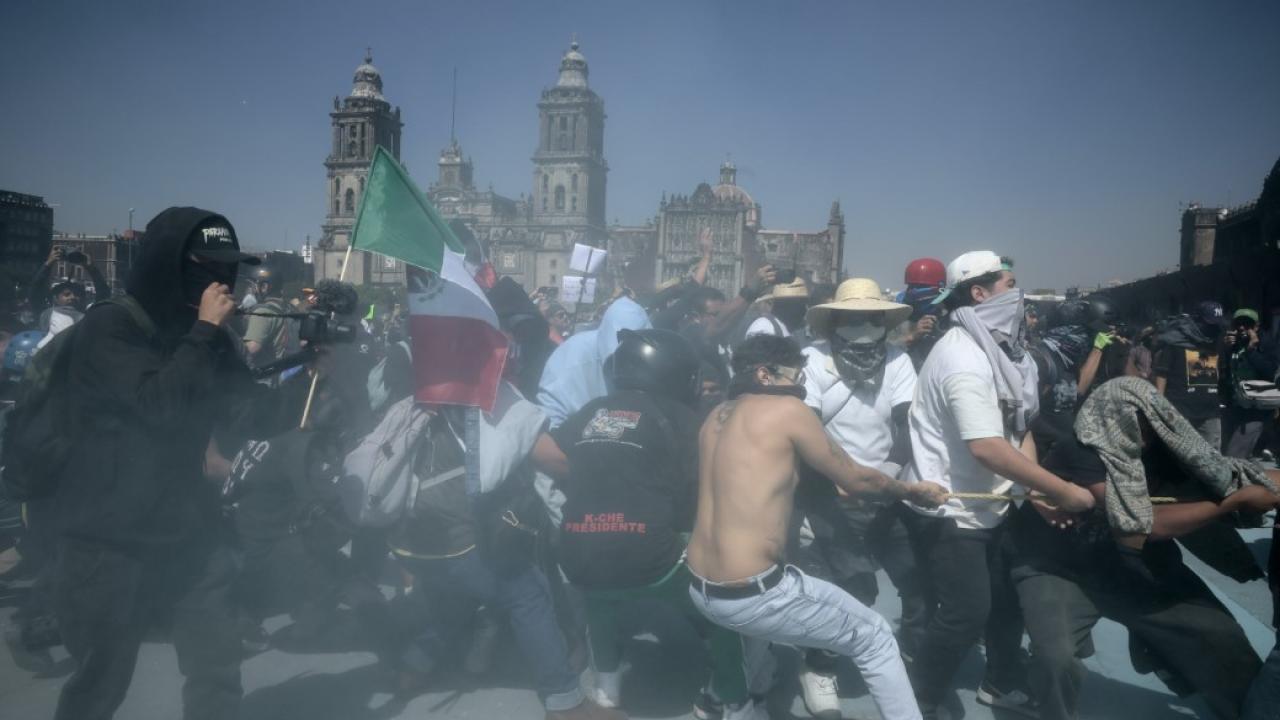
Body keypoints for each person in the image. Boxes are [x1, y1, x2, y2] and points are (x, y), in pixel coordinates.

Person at [48, 207, 309, 720]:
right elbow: (157, 406)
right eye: (209, 267)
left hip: (187, 525)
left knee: (215, 660)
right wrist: (205, 333)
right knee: (100, 681)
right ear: (174, 265)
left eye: (228, 269)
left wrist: (309, 373)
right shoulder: (112, 325)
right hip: (110, 536)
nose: (221, 282)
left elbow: (246, 410)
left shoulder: (204, 334)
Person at [686, 334, 949, 720]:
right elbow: (861, 481)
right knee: (875, 638)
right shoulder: (787, 409)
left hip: (702, 590)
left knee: (755, 630)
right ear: (765, 373)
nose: (802, 384)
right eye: (795, 374)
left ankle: (730, 700)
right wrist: (912, 490)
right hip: (754, 593)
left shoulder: (716, 416)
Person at [901, 250, 1095, 719]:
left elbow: (1018, 428)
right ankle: (918, 696)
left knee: (1004, 602)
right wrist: (1066, 491)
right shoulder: (963, 358)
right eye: (1010, 283)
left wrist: (1036, 492)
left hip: (996, 501)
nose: (1018, 292)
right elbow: (987, 447)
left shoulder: (1005, 354)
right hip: (953, 509)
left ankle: (997, 680)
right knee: (965, 612)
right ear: (979, 293)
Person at [543, 329, 764, 720]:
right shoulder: (684, 419)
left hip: (576, 555)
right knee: (723, 607)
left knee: (600, 594)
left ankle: (607, 685)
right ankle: (736, 700)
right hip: (655, 561)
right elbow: (699, 495)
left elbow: (557, 455)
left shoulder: (592, 410)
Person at [1014, 395, 1278, 720]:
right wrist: (1233, 502)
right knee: (1055, 657)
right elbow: (1142, 525)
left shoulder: (1169, 453)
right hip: (1062, 568)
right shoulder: (1079, 448)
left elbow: (1234, 477)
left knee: (1222, 636)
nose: (1140, 435)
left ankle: (1236, 705)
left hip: (1136, 569)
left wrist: (1256, 487)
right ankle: (1051, 711)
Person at [793, 278, 925, 718]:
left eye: (872, 317)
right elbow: (808, 428)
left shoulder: (899, 360)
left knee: (918, 579)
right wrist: (841, 478)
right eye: (853, 317)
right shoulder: (812, 361)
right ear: (835, 320)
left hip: (888, 490)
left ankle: (908, 659)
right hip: (831, 490)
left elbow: (907, 425)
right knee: (852, 586)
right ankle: (819, 666)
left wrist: (887, 474)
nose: (863, 325)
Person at [1153, 300, 1226, 447]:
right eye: (1208, 323)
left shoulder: (1216, 341)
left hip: (1210, 411)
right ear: (1196, 320)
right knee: (1180, 453)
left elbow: (1220, 371)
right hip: (1180, 410)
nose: (1212, 328)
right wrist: (1159, 405)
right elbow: (1162, 373)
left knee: (1213, 456)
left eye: (1215, 324)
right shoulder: (1175, 343)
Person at [1222, 308, 1279, 458]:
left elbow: (1269, 372)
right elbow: (1224, 371)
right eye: (1238, 324)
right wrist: (1225, 349)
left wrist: (1251, 351)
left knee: (1235, 454)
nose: (1241, 328)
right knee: (1232, 450)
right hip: (1235, 404)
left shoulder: (1266, 343)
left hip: (1256, 407)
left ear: (1256, 327)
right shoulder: (1233, 343)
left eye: (1247, 324)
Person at [897, 258, 947, 370]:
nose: (914, 291)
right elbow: (886, 350)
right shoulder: (898, 316)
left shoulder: (949, 316)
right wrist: (913, 335)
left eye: (920, 287)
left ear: (940, 289)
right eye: (911, 286)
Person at [241, 267, 294, 373]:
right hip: (282, 373)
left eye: (252, 287)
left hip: (265, 379)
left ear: (264, 287)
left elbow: (251, 349)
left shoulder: (263, 312)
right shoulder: (288, 307)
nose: (249, 291)